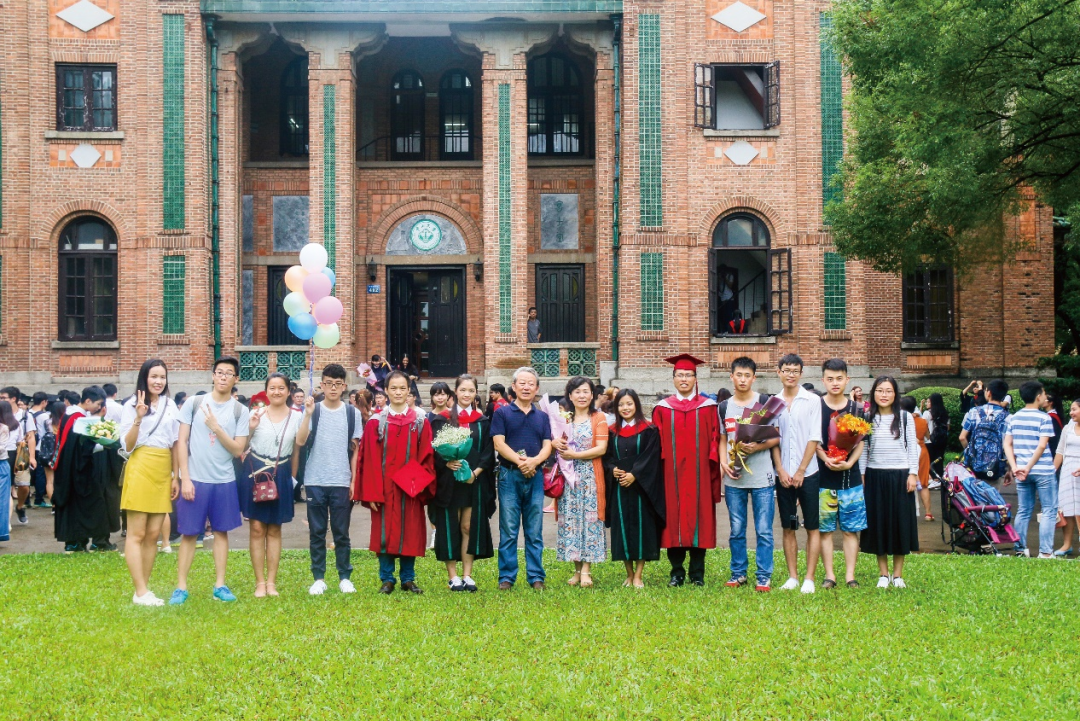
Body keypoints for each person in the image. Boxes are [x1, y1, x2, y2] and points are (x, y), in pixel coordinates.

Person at [171, 357, 250, 605]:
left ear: (236, 379)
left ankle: (220, 585)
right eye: (220, 372)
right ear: (213, 375)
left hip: (224, 480)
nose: (224, 377)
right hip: (195, 479)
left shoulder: (240, 411)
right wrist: (184, 477)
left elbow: (238, 449)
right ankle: (181, 587)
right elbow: (181, 442)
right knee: (188, 534)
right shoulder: (194, 404)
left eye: (229, 373)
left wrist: (216, 428)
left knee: (221, 532)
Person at [355, 370, 435, 594]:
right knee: (384, 533)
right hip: (384, 489)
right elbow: (368, 460)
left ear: (409, 391)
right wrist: (371, 493)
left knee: (410, 532)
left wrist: (417, 485)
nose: (398, 392)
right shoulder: (376, 422)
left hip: (410, 488)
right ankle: (387, 578)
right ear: (386, 391)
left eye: (402, 388)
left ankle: (408, 578)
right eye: (394, 388)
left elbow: (427, 456)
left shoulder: (420, 421)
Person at [652, 354, 721, 587]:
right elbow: (655, 445)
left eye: (688, 375)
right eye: (680, 375)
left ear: (695, 378)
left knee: (700, 519)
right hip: (670, 477)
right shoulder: (662, 409)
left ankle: (697, 574)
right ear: (673, 378)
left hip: (700, 476)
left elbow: (715, 440)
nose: (684, 379)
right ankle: (677, 572)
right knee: (673, 521)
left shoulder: (708, 408)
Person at [296, 363, 363, 595]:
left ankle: (345, 577)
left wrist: (353, 481)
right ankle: (319, 578)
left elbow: (355, 450)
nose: (333, 388)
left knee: (341, 532)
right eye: (328, 383)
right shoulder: (313, 410)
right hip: (315, 479)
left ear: (344, 386)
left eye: (337, 384)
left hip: (341, 480)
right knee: (317, 531)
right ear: (322, 385)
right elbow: (300, 441)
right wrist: (307, 414)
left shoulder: (352, 413)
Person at [118, 360, 180, 606]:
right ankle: (141, 591)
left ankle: (142, 589)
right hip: (141, 464)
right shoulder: (131, 405)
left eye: (162, 377)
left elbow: (175, 443)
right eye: (154, 376)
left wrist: (176, 475)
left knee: (154, 533)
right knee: (137, 532)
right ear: (144, 378)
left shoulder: (170, 405)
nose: (158, 381)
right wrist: (138, 417)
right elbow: (128, 445)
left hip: (163, 467)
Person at [428, 375, 496, 592]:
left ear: (476, 393)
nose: (467, 394)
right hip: (449, 482)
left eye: (471, 390)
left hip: (473, 481)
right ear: (455, 392)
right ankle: (453, 576)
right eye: (463, 390)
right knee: (450, 525)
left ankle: (467, 575)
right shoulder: (442, 420)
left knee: (468, 526)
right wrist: (446, 463)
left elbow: (488, 452)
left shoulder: (482, 421)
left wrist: (476, 473)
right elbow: (433, 449)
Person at [234, 373, 300, 597]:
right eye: (272, 388)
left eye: (281, 388)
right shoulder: (256, 413)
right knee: (256, 528)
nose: (277, 392)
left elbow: (298, 448)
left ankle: (271, 583)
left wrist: (292, 478)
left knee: (274, 527)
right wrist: (251, 427)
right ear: (266, 390)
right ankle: (259, 583)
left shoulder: (296, 416)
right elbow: (241, 446)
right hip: (255, 472)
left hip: (281, 472)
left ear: (288, 391)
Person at [717, 357, 778, 592]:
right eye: (739, 375)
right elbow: (723, 438)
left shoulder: (764, 403)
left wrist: (757, 447)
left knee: (764, 530)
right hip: (734, 478)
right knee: (736, 529)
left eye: (747, 375)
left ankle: (764, 576)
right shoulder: (724, 407)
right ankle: (738, 572)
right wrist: (724, 462)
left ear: (754, 378)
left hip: (762, 476)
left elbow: (776, 437)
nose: (742, 380)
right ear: (731, 377)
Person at [491, 367, 553, 591]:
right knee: (508, 529)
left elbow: (548, 445)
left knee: (534, 530)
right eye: (522, 383)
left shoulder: (542, 417)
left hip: (535, 477)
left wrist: (534, 462)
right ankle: (507, 577)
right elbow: (499, 443)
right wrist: (522, 462)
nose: (526, 387)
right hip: (509, 476)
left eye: (531, 384)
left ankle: (536, 576)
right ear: (514, 387)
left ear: (537, 388)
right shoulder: (502, 413)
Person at [769, 354, 823, 593]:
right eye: (786, 370)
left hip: (808, 472)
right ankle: (793, 577)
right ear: (778, 372)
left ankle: (809, 578)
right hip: (783, 474)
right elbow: (773, 439)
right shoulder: (774, 402)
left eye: (795, 371)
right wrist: (780, 469)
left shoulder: (812, 400)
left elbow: (814, 437)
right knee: (788, 525)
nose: (790, 375)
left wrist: (801, 470)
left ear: (801, 373)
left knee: (812, 525)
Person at [861, 376, 920, 588]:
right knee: (879, 523)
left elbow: (912, 447)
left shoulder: (905, 417)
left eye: (888, 391)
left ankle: (898, 575)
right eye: (880, 390)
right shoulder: (867, 418)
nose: (884, 395)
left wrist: (913, 474)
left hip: (900, 476)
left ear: (895, 394)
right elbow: (863, 450)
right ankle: (883, 574)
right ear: (873, 393)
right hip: (874, 475)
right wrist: (862, 476)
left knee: (900, 523)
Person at [551, 377, 609, 588]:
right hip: (568, 480)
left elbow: (601, 448)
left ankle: (586, 570)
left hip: (590, 478)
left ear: (592, 395)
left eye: (585, 391)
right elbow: (556, 444)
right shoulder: (564, 418)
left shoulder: (599, 417)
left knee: (590, 521)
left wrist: (574, 455)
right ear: (570, 395)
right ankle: (576, 570)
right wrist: (556, 443)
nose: (581, 396)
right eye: (577, 392)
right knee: (572, 521)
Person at [605, 389, 664, 588]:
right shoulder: (612, 431)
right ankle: (629, 574)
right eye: (621, 404)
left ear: (636, 405)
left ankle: (638, 575)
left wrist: (635, 474)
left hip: (641, 489)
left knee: (641, 529)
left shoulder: (649, 430)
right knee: (622, 529)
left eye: (629, 404)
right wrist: (612, 469)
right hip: (619, 488)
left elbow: (651, 457)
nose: (625, 408)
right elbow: (607, 457)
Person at [815, 359, 866, 589]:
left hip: (850, 478)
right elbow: (813, 439)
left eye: (839, 378)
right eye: (830, 379)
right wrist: (825, 457)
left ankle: (850, 576)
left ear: (847, 379)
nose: (834, 383)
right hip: (822, 478)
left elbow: (861, 441)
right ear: (823, 380)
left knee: (850, 530)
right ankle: (830, 575)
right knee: (825, 530)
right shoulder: (816, 406)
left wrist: (850, 463)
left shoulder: (857, 409)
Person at [1004, 381, 1058, 559]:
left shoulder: (1014, 417)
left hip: (1021, 471)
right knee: (1049, 509)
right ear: (1038, 396)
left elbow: (1007, 444)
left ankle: (1020, 549)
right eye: (1044, 393)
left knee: (1024, 510)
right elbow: (1042, 446)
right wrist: (1029, 467)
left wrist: (1015, 467)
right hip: (1042, 470)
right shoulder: (1044, 418)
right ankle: (1045, 552)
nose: (1045, 397)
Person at [50, 387, 108, 553]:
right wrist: (102, 444)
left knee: (72, 504)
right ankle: (77, 541)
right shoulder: (79, 419)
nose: (99, 407)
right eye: (98, 404)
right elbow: (82, 448)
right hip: (76, 471)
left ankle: (75, 542)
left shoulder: (69, 414)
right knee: (83, 504)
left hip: (67, 468)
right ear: (88, 401)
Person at [959, 379, 1012, 482]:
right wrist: (1009, 470)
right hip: (995, 468)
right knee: (992, 491)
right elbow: (1009, 445)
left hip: (974, 467)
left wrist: (970, 453)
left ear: (988, 393)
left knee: (973, 491)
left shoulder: (974, 412)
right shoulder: (1008, 417)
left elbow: (962, 437)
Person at [1054, 398, 1080, 557]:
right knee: (1067, 508)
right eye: (1070, 409)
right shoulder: (1067, 429)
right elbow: (1060, 452)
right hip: (1068, 470)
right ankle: (1067, 544)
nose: (1071, 412)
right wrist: (1052, 471)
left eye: (1074, 409)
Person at [900, 396, 933, 521]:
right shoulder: (922, 421)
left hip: (905, 452)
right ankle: (928, 513)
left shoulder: (900, 420)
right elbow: (928, 436)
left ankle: (907, 512)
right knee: (923, 483)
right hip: (922, 451)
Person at [29, 392, 53, 508]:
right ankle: (39, 499)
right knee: (41, 474)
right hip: (41, 447)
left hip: (28, 447)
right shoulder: (45, 416)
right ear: (44, 402)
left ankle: (26, 500)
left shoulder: (27, 413)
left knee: (29, 474)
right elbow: (50, 431)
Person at [923, 392, 950, 479]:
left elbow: (924, 426)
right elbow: (948, 427)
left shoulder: (927, 413)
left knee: (930, 461)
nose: (927, 404)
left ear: (933, 402)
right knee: (939, 460)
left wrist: (928, 436)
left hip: (929, 441)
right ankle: (940, 478)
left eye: (928, 402)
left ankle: (933, 478)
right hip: (942, 441)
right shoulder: (945, 413)